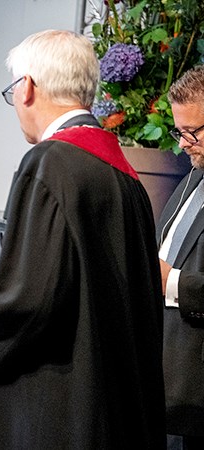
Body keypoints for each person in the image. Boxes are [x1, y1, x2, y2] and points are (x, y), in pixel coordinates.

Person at [0, 30, 165, 449]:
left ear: (27, 87)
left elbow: (25, 301)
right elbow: (66, 281)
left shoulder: (49, 163)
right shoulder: (125, 177)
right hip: (110, 403)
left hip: (54, 403)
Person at [157, 65, 204, 449]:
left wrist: (169, 280)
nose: (184, 142)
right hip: (165, 385)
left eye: (194, 131)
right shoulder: (192, 175)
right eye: (179, 131)